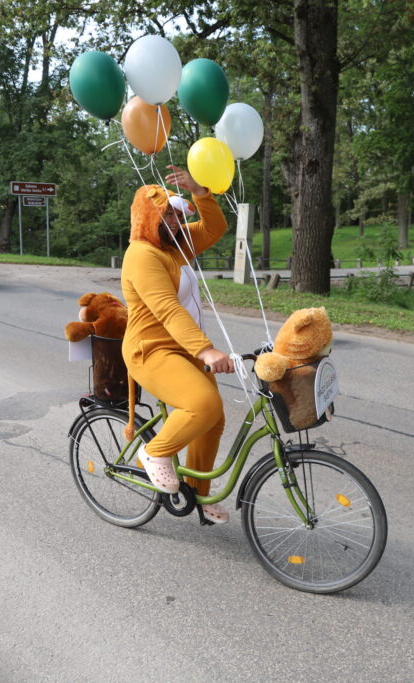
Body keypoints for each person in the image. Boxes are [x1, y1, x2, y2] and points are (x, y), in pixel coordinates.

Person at [120, 165, 233, 524]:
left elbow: (215, 228)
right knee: (202, 404)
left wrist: (200, 192)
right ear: (148, 217)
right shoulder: (142, 255)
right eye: (167, 215)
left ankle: (197, 494)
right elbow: (168, 309)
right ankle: (155, 452)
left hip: (184, 347)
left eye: (177, 214)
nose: (175, 221)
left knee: (212, 420)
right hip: (151, 350)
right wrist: (206, 350)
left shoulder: (175, 244)